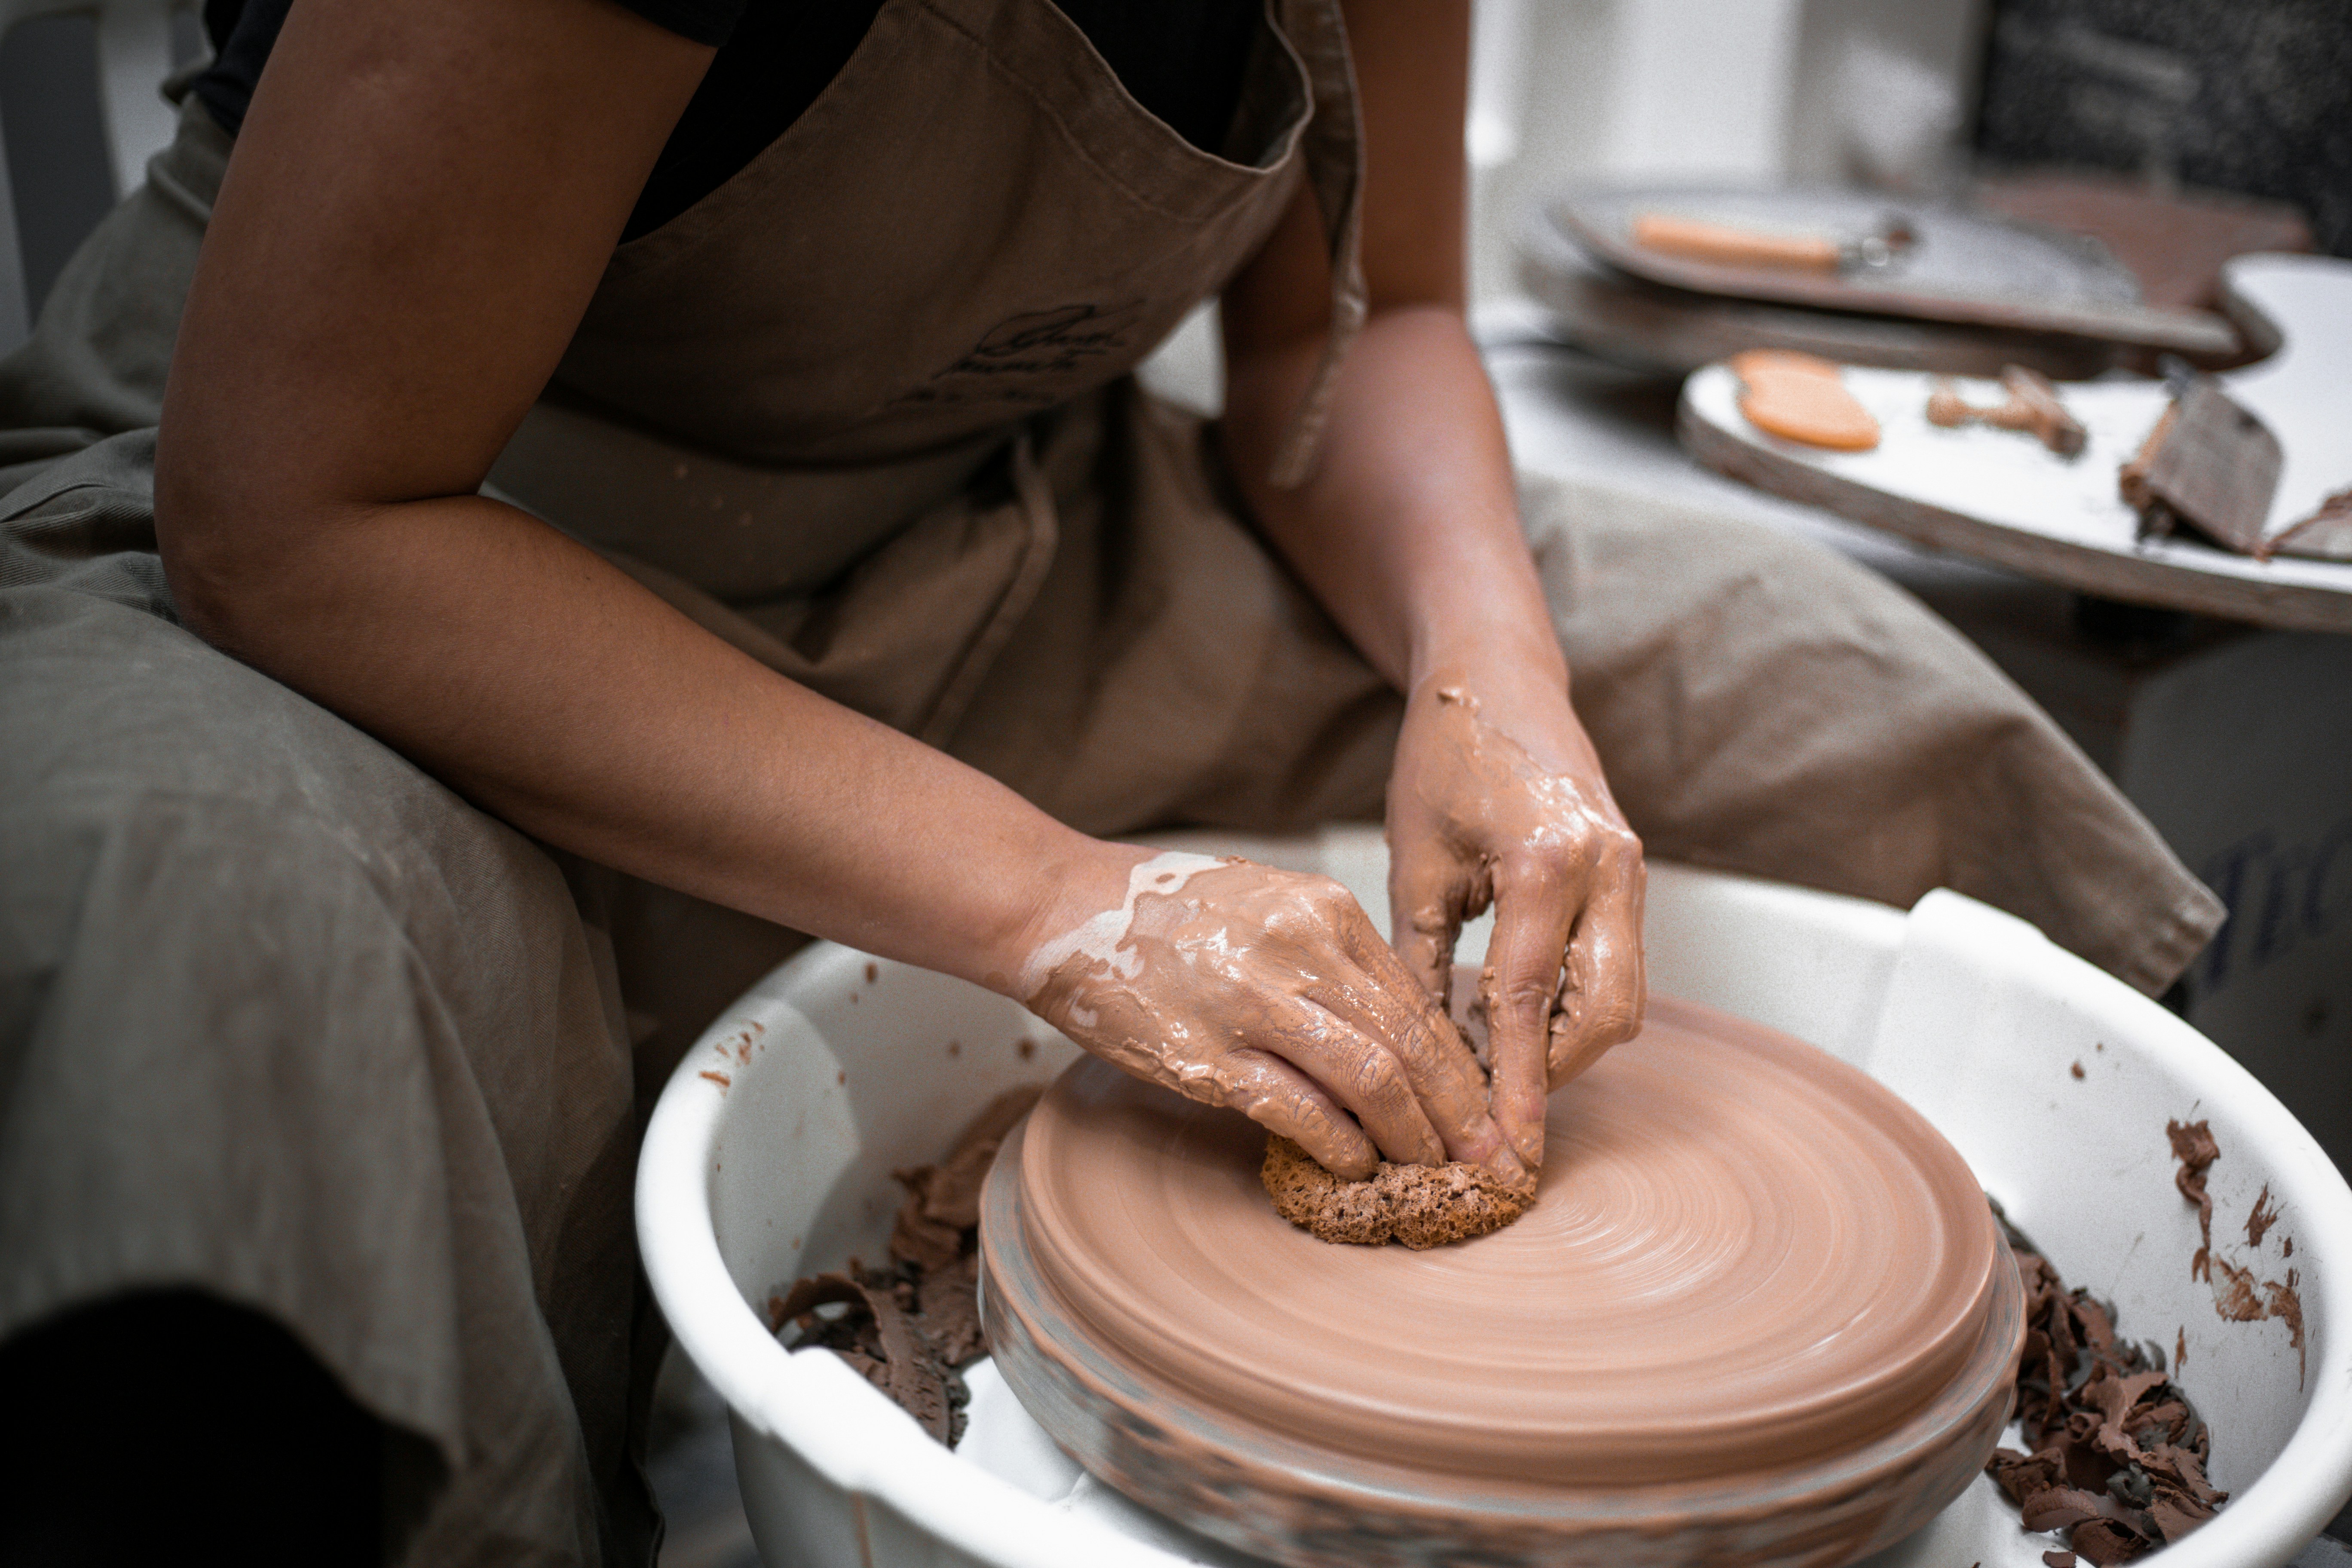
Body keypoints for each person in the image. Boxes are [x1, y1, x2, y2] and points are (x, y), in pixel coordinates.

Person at [0, 0, 2220, 1561]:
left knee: (1805, 701)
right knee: (243, 958)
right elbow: (292, 516)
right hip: (387, 550)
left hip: (970, 528)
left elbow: (1373, 337)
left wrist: (1497, 675)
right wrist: (1066, 904)